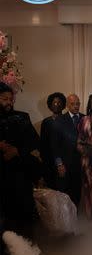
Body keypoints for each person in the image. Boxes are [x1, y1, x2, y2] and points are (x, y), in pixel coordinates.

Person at [0, 82, 41, 239]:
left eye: (11, 99)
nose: (9, 102)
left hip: (20, 175)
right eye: (4, 99)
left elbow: (34, 141)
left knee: (24, 217)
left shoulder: (22, 117)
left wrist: (16, 150)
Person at [52, 94, 84, 206]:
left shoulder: (85, 119)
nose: (76, 106)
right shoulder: (59, 121)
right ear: (66, 105)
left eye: (77, 103)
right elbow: (54, 146)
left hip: (81, 164)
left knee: (78, 195)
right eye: (72, 104)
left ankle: (76, 220)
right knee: (65, 196)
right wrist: (59, 164)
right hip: (65, 164)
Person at [40, 92, 66, 188]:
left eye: (59, 102)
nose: (57, 105)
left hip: (64, 160)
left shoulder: (67, 120)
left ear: (63, 105)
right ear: (50, 105)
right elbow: (42, 143)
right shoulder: (46, 122)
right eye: (54, 102)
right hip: (49, 161)